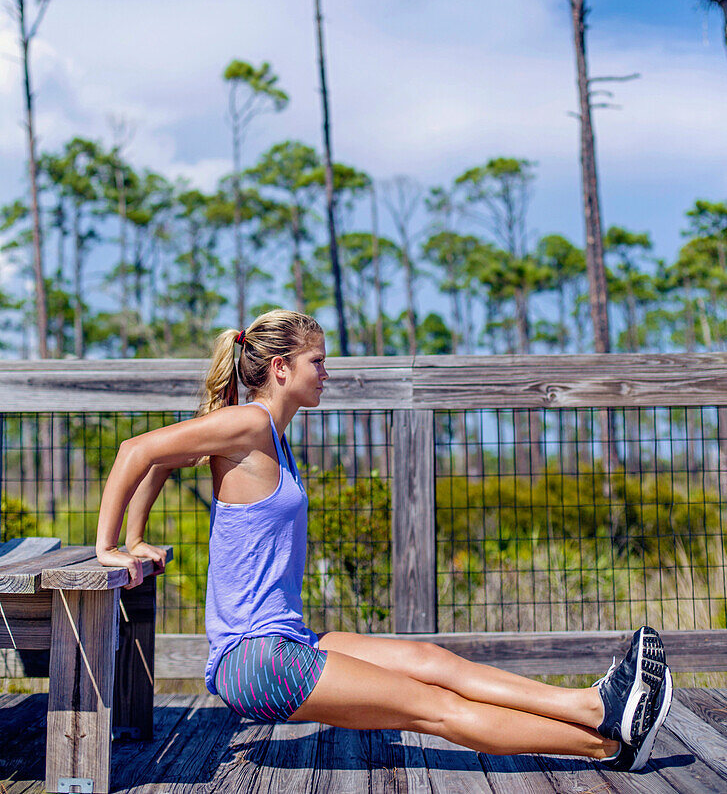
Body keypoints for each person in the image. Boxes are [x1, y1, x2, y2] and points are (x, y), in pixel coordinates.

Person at [95, 308, 673, 772]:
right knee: (434, 709)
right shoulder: (247, 423)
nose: (327, 372)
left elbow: (168, 463)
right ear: (279, 368)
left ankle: (594, 707)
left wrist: (139, 536)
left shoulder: (263, 432)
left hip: (285, 640)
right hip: (255, 660)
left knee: (427, 659)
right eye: (317, 362)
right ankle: (610, 748)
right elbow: (137, 452)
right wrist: (110, 546)